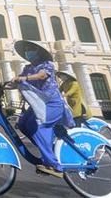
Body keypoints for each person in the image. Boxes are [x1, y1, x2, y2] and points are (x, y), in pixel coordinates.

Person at [12, 40, 74, 178]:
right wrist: (6, 85)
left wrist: (24, 78)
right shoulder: (28, 68)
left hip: (52, 104)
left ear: (39, 52)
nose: (29, 52)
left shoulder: (47, 65)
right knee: (23, 124)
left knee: (40, 128)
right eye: (27, 49)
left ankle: (54, 166)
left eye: (31, 49)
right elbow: (19, 81)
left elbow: (42, 75)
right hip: (38, 105)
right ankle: (47, 151)